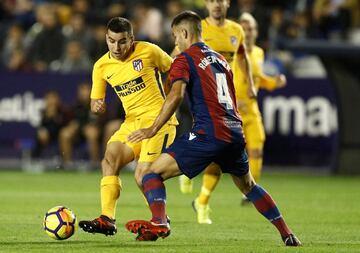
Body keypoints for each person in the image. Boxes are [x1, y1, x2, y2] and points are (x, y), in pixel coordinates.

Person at [125, 11, 301, 246]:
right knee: (248, 185)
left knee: (150, 174)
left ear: (185, 33)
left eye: (176, 36)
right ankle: (287, 233)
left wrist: (152, 129)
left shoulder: (184, 59)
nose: (175, 41)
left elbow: (175, 96)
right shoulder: (221, 60)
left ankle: (159, 221)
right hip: (235, 131)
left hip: (209, 132)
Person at [78, 17, 178, 236]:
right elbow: (96, 102)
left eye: (122, 41)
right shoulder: (101, 66)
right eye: (112, 41)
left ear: (131, 39)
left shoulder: (149, 51)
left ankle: (161, 222)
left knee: (143, 175)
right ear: (106, 39)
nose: (117, 47)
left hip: (159, 121)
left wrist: (171, 94)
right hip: (132, 123)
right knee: (110, 158)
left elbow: (175, 69)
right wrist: (97, 106)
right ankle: (107, 219)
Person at [178, 0, 256, 225]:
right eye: (211, 0)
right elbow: (177, 53)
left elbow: (242, 56)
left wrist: (249, 83)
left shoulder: (236, 30)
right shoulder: (196, 29)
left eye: (220, 0)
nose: (216, 5)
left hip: (224, 100)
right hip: (201, 97)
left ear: (227, 3)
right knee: (215, 149)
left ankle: (200, 197)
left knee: (219, 154)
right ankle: (191, 176)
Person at [238, 12, 287, 204]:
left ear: (256, 32)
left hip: (251, 110)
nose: (248, 32)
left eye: (251, 28)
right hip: (232, 111)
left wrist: (274, 82)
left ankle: (249, 190)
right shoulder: (232, 52)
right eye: (244, 28)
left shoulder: (258, 53)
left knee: (257, 149)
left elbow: (258, 79)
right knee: (217, 156)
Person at [59, 82, 101, 166]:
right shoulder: (75, 106)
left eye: (86, 90)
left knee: (92, 133)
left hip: (96, 132)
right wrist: (73, 125)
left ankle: (95, 164)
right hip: (77, 133)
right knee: (64, 134)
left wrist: (92, 126)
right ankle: (68, 164)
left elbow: (102, 120)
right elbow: (68, 121)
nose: (84, 93)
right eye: (82, 90)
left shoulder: (97, 104)